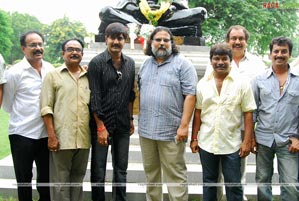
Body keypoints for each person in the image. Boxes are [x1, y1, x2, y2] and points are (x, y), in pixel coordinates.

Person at [204, 25, 266, 201]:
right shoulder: (217, 63)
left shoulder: (257, 64)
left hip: (243, 125)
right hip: (218, 126)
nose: (237, 42)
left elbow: (261, 96)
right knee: (214, 174)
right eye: (234, 38)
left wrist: (250, 133)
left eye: (241, 38)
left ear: (246, 41)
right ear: (228, 40)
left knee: (237, 171)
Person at [138, 26, 197, 201]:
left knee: (175, 176)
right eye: (158, 40)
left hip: (172, 131)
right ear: (151, 42)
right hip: (147, 131)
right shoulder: (145, 65)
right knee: (151, 175)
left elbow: (190, 96)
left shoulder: (183, 64)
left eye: (166, 40)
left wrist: (184, 126)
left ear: (172, 43)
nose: (162, 43)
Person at [191, 43, 256, 201]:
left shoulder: (242, 83)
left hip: (232, 144)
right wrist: (194, 138)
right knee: (209, 183)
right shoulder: (202, 85)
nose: (220, 62)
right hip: (207, 142)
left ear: (231, 60)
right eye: (216, 58)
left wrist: (247, 141)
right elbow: (198, 113)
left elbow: (248, 113)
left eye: (224, 59)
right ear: (211, 61)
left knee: (234, 185)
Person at [2, 30, 53, 201]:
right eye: (32, 45)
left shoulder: (50, 69)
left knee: (46, 180)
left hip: (46, 134)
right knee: (24, 180)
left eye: (40, 44)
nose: (37, 48)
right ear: (23, 49)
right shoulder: (15, 72)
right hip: (22, 133)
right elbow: (8, 104)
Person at [88, 22, 136, 201]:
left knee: (121, 169)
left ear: (126, 40)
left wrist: (130, 119)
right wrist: (100, 126)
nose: (116, 41)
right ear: (106, 39)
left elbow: (131, 94)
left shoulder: (130, 64)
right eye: (113, 37)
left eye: (120, 38)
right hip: (102, 124)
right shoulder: (97, 63)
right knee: (99, 169)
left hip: (123, 124)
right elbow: (94, 97)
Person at [40, 38, 90, 201]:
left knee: (77, 180)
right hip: (62, 138)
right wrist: (52, 136)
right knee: (60, 183)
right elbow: (46, 108)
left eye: (78, 50)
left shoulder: (88, 76)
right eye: (70, 49)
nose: (74, 52)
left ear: (82, 54)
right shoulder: (52, 76)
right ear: (63, 53)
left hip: (83, 139)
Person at [251, 36, 299, 201]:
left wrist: (298, 138)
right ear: (270, 54)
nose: (280, 54)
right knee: (262, 181)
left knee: (291, 185)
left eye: (284, 51)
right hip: (263, 139)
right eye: (276, 51)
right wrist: (250, 138)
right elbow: (252, 111)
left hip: (289, 141)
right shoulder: (259, 80)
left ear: (290, 54)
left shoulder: (298, 80)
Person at [97, 0, 207, 41]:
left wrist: (169, 8)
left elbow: (179, 7)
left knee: (201, 12)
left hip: (167, 18)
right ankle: (139, 28)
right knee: (105, 12)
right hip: (136, 19)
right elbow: (125, 5)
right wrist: (136, 9)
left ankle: (157, 29)